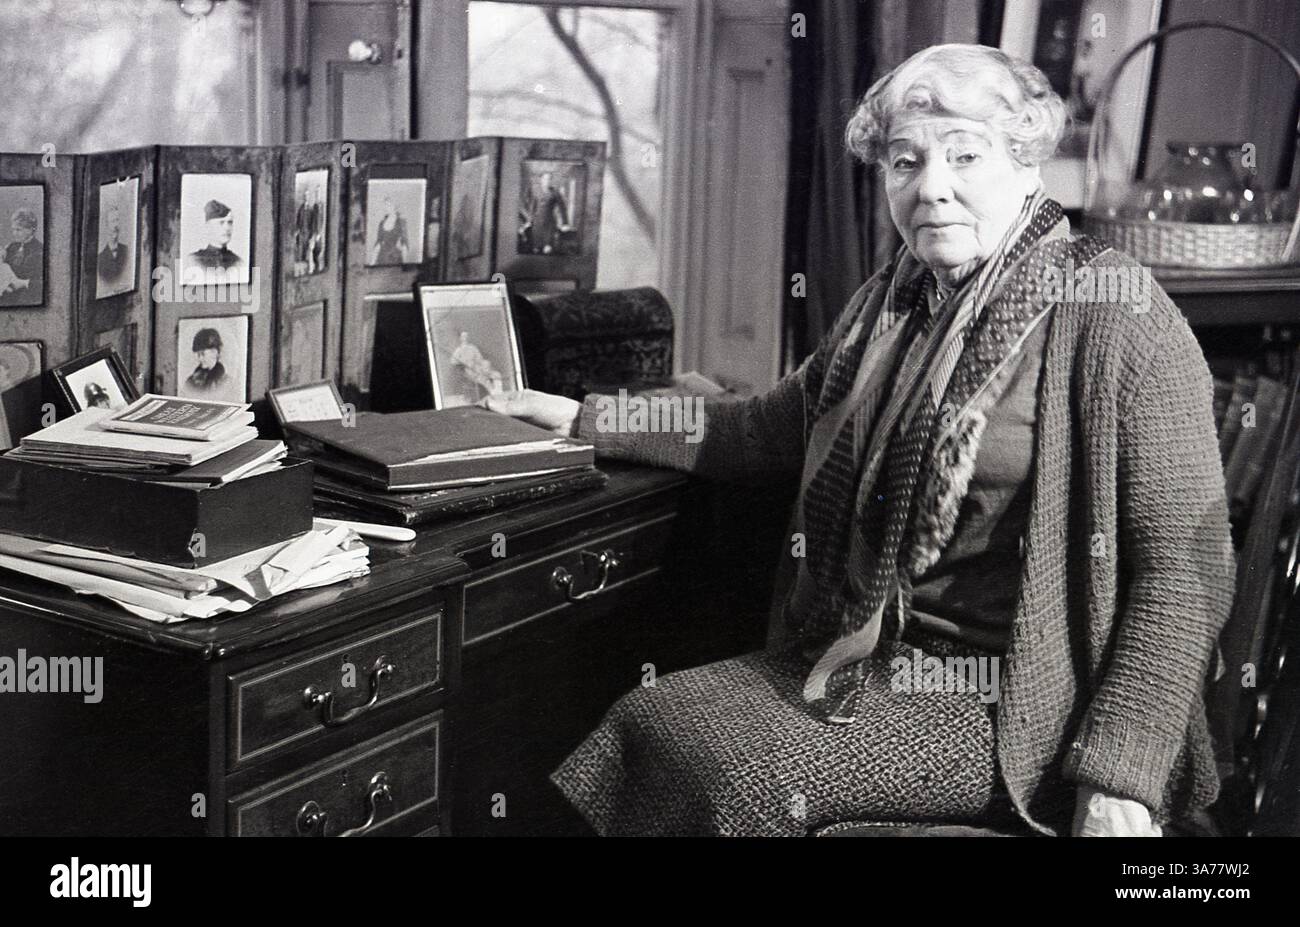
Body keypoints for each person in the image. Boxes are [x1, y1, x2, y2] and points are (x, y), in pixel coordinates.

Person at [482, 44, 1235, 837]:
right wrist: (583, 416)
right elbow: (761, 428)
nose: (931, 187)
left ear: (1027, 161)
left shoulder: (1119, 311)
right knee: (650, 716)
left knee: (738, 776)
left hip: (1017, 703)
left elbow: (1188, 572)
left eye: (965, 156)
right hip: (869, 659)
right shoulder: (894, 301)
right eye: (905, 162)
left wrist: (1119, 776)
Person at [189, 199, 244, 279]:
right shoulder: (193, 260)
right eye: (221, 223)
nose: (227, 228)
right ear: (208, 227)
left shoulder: (238, 262)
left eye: (230, 222)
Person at [519, 171, 570, 254]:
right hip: (536, 224)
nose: (547, 181)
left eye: (549, 179)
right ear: (541, 180)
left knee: (547, 250)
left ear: (551, 181)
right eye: (545, 179)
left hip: (549, 224)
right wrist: (529, 221)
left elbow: (562, 208)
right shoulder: (536, 192)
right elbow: (532, 208)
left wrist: (565, 223)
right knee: (536, 250)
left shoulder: (555, 193)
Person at [0, 207, 43, 306]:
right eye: (13, 229)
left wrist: (24, 283)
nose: (14, 233)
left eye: (18, 230)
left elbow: (42, 283)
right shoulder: (12, 246)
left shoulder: (39, 251)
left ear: (31, 230)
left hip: (24, 299)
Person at [450, 331, 503, 399]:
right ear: (460, 338)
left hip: (477, 368)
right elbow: (453, 361)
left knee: (496, 374)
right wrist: (463, 363)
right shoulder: (458, 350)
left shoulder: (473, 348)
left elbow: (480, 359)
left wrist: (484, 364)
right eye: (463, 336)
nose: (465, 338)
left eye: (466, 336)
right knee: (482, 378)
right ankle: (493, 393)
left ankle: (498, 392)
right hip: (468, 371)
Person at [184, 327, 229, 394]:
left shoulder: (226, 382)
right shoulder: (191, 382)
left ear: (215, 352)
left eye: (202, 354)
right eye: (198, 354)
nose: (199, 359)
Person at [97, 202, 130, 292]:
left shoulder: (127, 251)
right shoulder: (100, 259)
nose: (116, 225)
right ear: (106, 226)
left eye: (117, 220)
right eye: (112, 221)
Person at [370, 196, 408, 265]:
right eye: (385, 205)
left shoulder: (401, 222)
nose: (386, 207)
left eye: (389, 205)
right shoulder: (381, 223)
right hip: (381, 258)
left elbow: (404, 244)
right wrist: (372, 263)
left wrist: (405, 264)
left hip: (396, 259)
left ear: (395, 206)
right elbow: (378, 243)